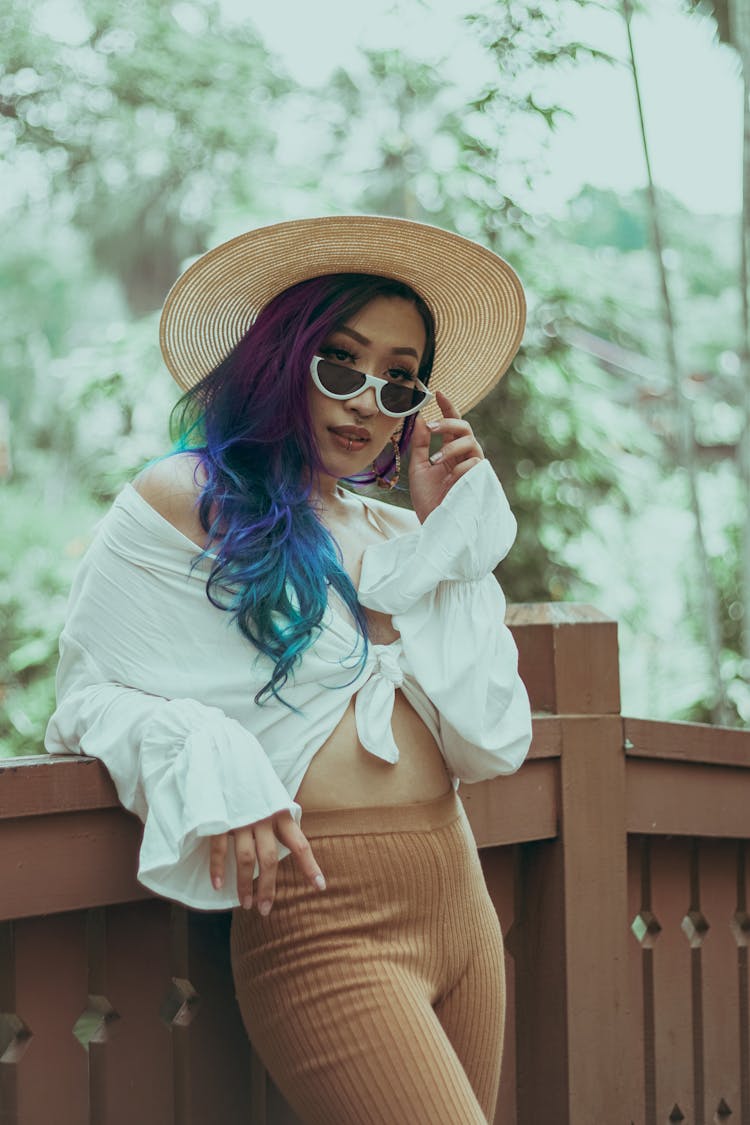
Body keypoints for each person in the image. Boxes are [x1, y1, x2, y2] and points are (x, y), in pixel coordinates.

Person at [45, 214, 532, 1125]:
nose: (365, 401)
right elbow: (87, 697)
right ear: (282, 359)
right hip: (325, 915)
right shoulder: (183, 502)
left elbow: (487, 735)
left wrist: (441, 539)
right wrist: (213, 746)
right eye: (340, 365)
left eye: (398, 381)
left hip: (457, 888)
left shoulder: (394, 534)